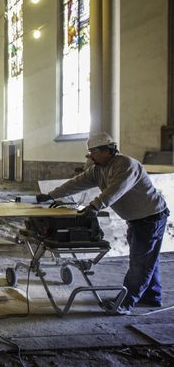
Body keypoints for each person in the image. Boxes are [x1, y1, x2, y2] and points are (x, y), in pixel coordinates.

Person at [36, 132, 169, 315]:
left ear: (107, 150)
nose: (90, 156)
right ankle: (152, 297)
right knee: (145, 259)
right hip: (136, 219)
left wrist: (95, 206)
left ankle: (124, 304)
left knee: (140, 263)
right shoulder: (99, 169)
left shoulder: (126, 165)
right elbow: (78, 182)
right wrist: (52, 195)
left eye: (93, 152)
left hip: (151, 218)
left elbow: (116, 189)